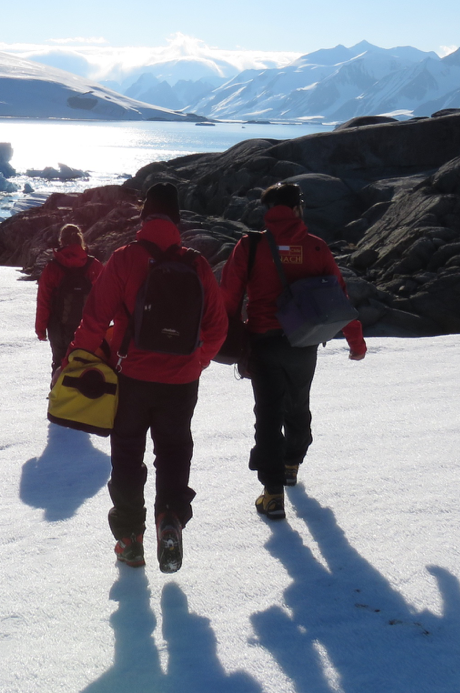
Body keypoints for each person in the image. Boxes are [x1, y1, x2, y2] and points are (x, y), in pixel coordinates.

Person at [66, 182, 226, 573]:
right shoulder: (197, 264)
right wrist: (196, 361)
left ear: (143, 217)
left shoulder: (125, 259)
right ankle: (169, 516)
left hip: (131, 377)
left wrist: (73, 361)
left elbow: (94, 319)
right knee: (173, 451)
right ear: (177, 219)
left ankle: (129, 540)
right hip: (181, 382)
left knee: (127, 454)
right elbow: (218, 328)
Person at [219, 182, 366, 522]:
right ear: (298, 209)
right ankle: (291, 463)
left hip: (263, 342)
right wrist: (355, 342)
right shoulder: (315, 247)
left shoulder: (250, 245)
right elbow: (339, 298)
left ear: (268, 210)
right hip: (303, 341)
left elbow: (228, 298)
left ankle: (273, 495)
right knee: (298, 405)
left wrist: (223, 341)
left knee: (268, 415)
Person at [35, 223, 103, 371]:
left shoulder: (52, 267)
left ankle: (58, 385)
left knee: (60, 365)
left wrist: (41, 329)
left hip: (58, 327)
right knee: (85, 366)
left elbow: (43, 301)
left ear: (62, 241)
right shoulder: (94, 266)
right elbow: (104, 298)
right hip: (87, 328)